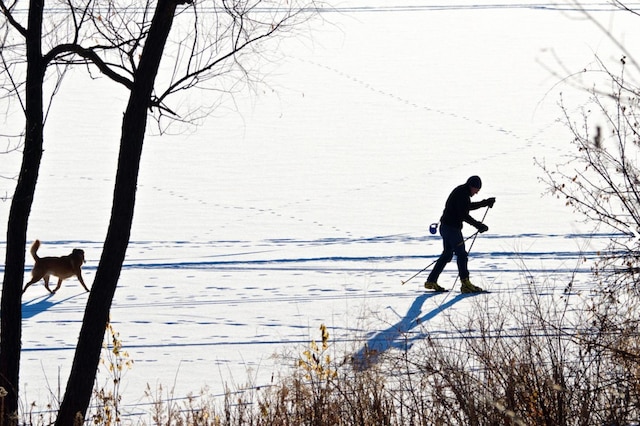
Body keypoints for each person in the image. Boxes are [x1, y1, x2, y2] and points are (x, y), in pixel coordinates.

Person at [424, 175, 495, 293]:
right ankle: (465, 283)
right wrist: (478, 225)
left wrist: (485, 203)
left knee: (447, 255)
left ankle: (431, 281)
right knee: (461, 254)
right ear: (472, 186)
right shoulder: (462, 194)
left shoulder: (462, 192)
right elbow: (464, 215)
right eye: (476, 190)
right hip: (451, 229)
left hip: (446, 227)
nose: (476, 193)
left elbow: (466, 207)